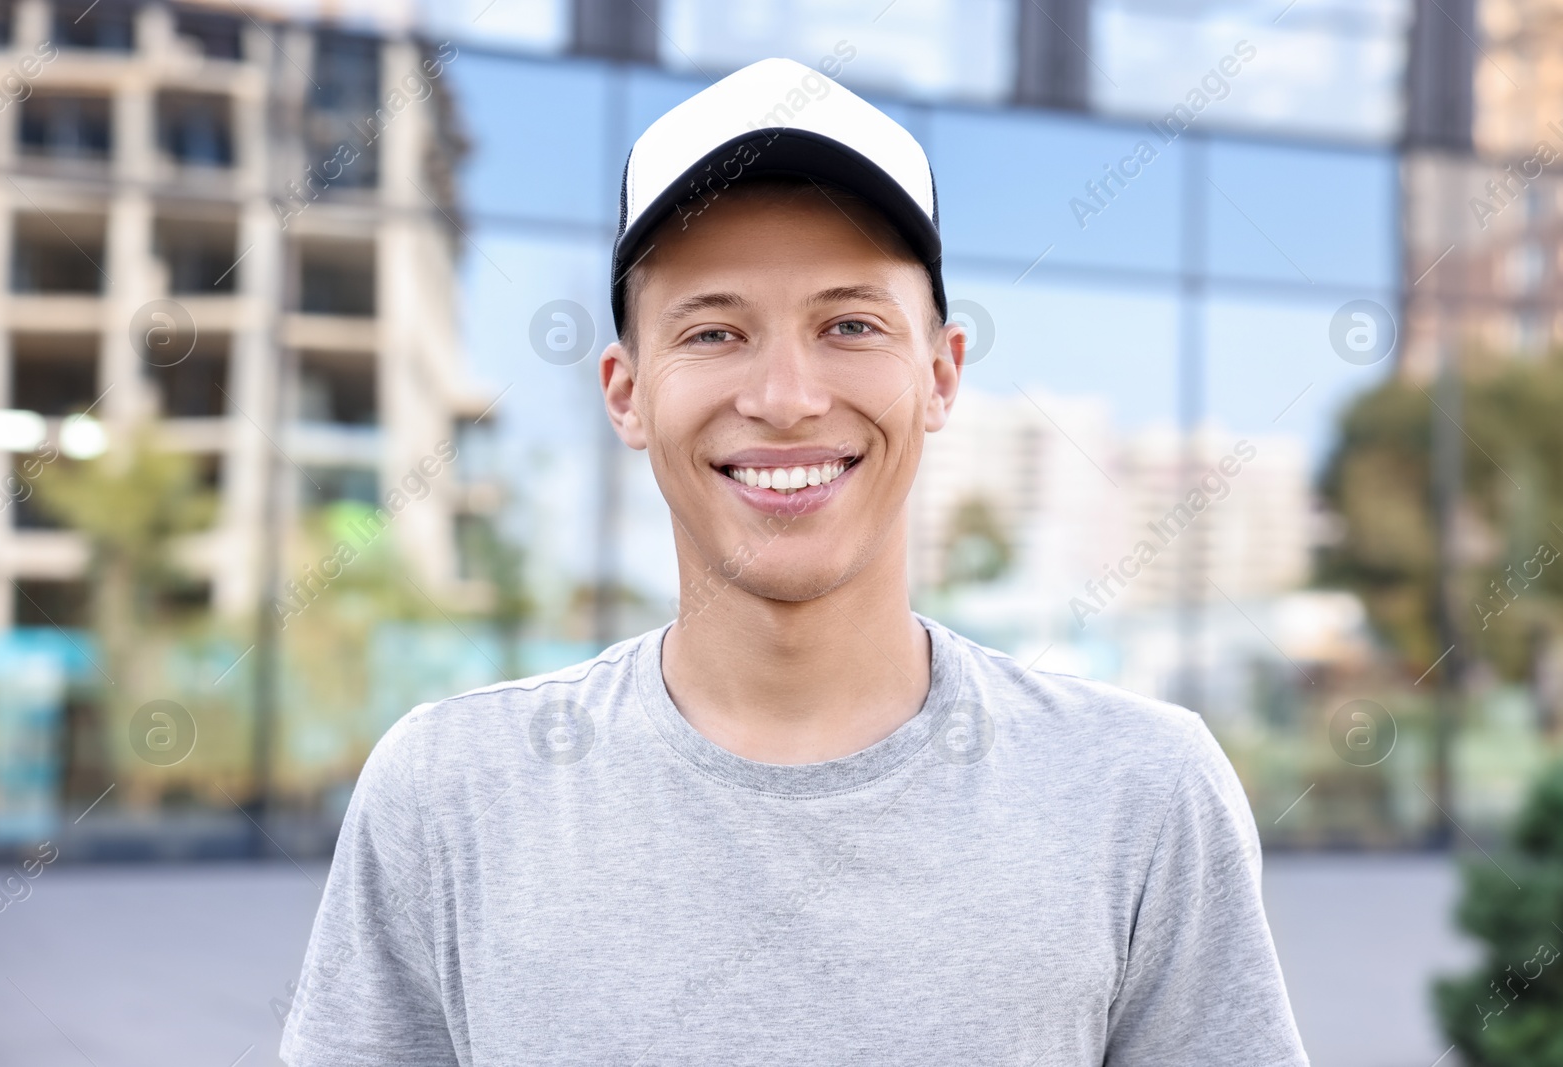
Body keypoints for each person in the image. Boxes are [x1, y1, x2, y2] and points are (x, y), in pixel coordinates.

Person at [280, 57, 1309, 1066]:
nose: (784, 395)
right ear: (626, 391)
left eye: (849, 323)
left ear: (940, 375)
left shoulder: (1140, 792)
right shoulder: (448, 792)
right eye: (715, 330)